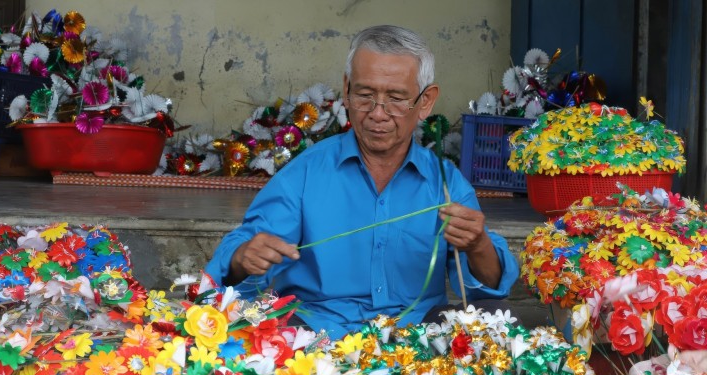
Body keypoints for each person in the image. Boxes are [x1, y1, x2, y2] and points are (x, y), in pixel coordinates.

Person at [205, 25, 519, 339]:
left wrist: (478, 246)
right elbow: (233, 264)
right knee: (254, 335)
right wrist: (244, 258)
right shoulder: (304, 175)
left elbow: (489, 289)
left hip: (418, 337)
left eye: (396, 99)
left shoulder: (445, 184)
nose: (378, 114)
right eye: (365, 96)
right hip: (315, 334)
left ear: (425, 101)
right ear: (347, 89)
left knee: (493, 320)